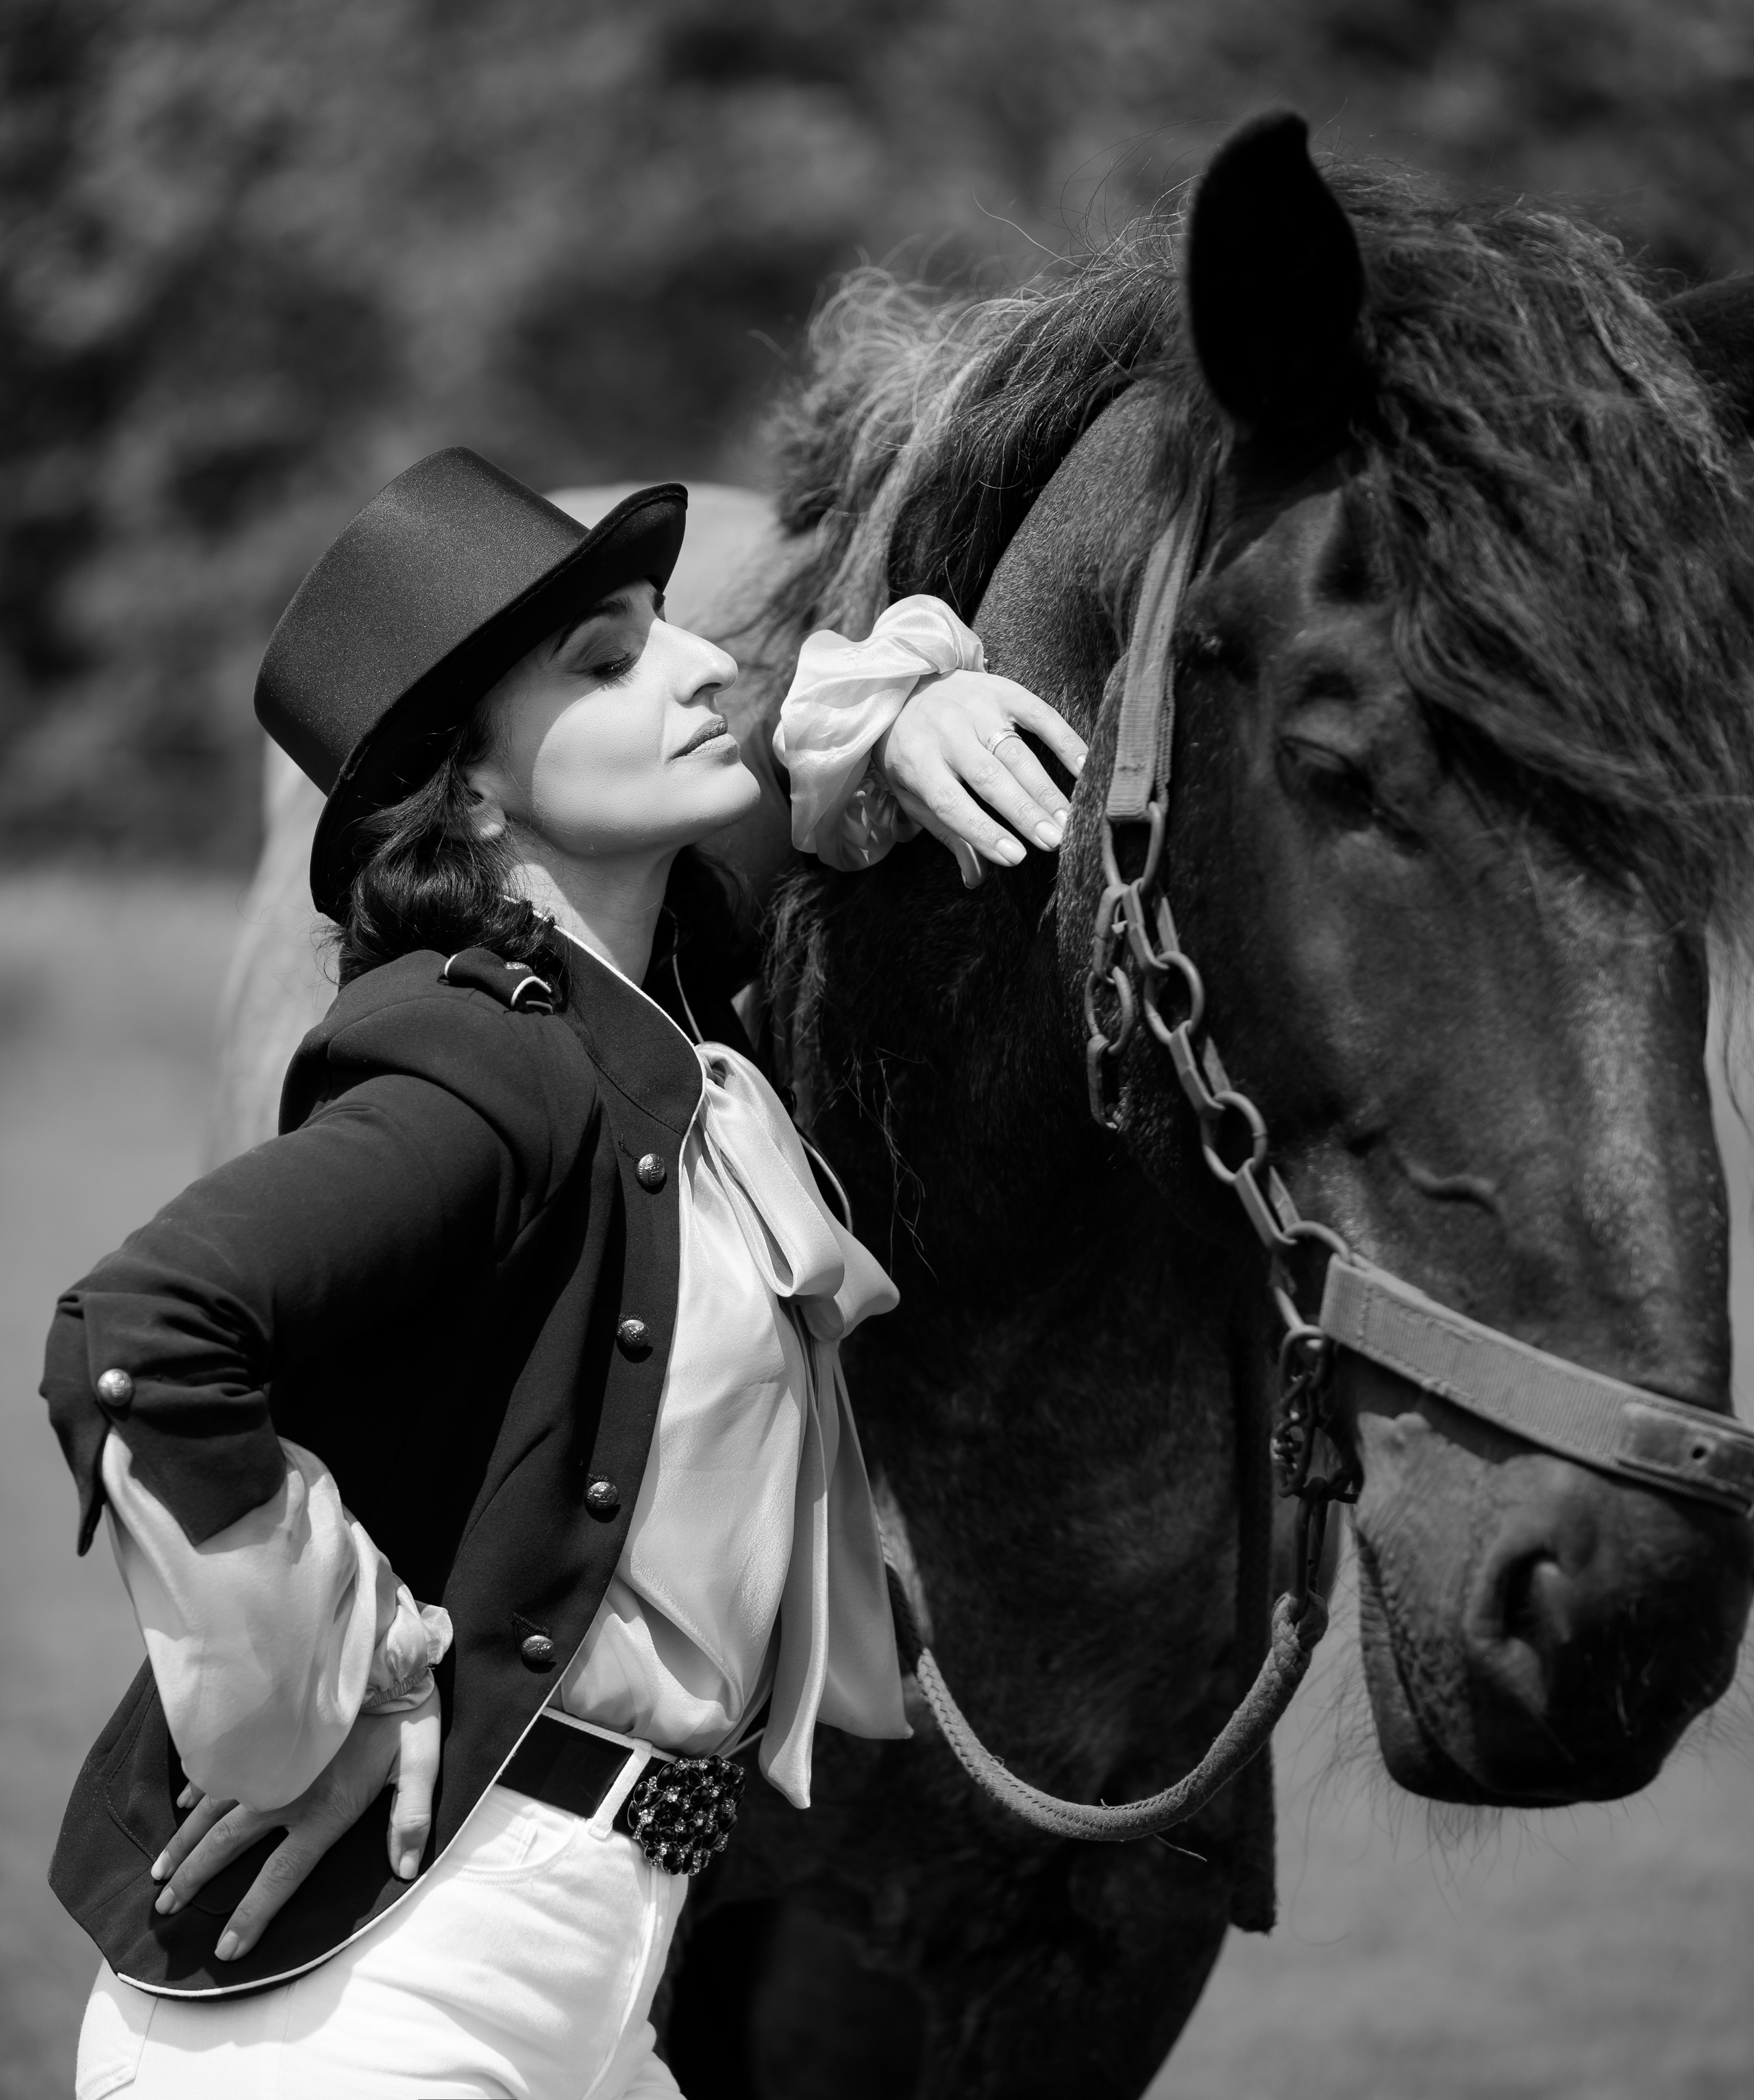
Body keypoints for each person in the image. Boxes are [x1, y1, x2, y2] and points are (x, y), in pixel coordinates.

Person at [42, 449, 1086, 2100]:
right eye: (605, 661)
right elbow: (140, 1331)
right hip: (372, 2008)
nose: (696, 666)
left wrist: (911, 700)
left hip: (596, 1978)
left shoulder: (652, 1027)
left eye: (664, 628)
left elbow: (791, 790)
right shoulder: (482, 1064)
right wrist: (337, 1687)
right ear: (469, 793)